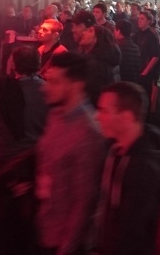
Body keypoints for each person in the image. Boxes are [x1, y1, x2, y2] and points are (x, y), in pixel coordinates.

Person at [0, 46, 48, 254]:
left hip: (8, 157)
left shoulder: (3, 92)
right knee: (34, 210)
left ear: (14, 65)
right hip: (37, 157)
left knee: (8, 211)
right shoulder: (48, 90)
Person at [35, 52, 106, 255]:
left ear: (76, 86)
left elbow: (85, 199)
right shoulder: (56, 114)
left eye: (55, 82)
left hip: (63, 239)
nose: (45, 87)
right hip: (45, 225)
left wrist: (67, 246)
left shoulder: (88, 132)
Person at [93, 81, 160, 255]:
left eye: (104, 111)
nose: (96, 117)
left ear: (126, 118)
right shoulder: (116, 150)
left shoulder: (143, 171)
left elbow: (132, 236)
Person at [114, 20, 142, 84]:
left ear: (118, 31)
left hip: (122, 82)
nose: (114, 32)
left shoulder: (118, 47)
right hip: (133, 81)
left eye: (115, 30)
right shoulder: (135, 46)